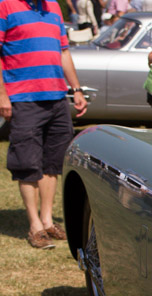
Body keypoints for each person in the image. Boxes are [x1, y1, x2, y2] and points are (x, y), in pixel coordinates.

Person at [0, 0, 89, 249]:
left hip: (57, 98)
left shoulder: (53, 7)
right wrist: (2, 95)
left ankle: (47, 220)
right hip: (23, 98)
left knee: (53, 162)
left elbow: (63, 52)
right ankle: (35, 227)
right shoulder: (6, 6)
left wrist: (77, 88)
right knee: (27, 163)